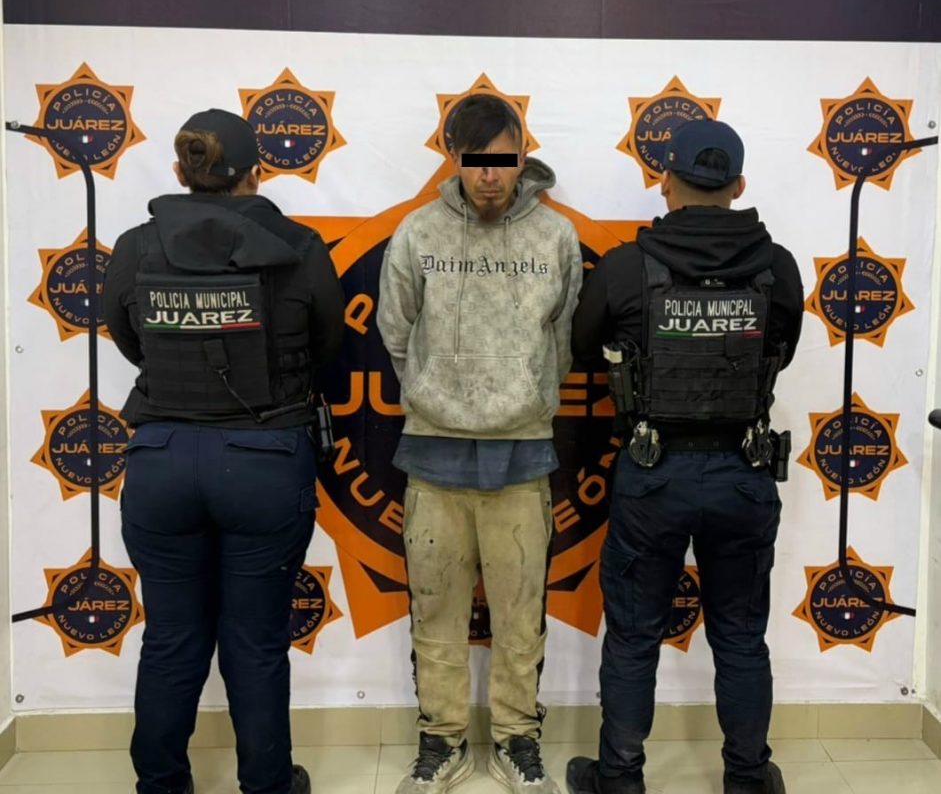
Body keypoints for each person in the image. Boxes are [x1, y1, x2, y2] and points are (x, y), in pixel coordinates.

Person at [103, 109, 345, 794]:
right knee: (256, 641)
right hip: (264, 460)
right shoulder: (299, 246)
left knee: (171, 638)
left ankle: (160, 785)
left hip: (162, 458)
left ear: (179, 172)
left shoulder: (135, 247)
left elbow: (127, 336)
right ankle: (268, 785)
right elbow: (326, 342)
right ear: (256, 174)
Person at [566, 119, 803, 794]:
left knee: (633, 635)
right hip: (743, 474)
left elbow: (583, 350)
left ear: (665, 180)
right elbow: (782, 352)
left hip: (653, 474)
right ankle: (747, 778)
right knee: (740, 635)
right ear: (738, 186)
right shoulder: (778, 268)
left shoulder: (625, 268)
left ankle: (620, 778)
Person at [377, 95, 583, 794]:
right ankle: (440, 741)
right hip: (432, 454)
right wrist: (431, 390)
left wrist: (527, 395)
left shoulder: (555, 236)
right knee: (434, 612)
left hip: (522, 454)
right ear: (453, 159)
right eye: (474, 161)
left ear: (522, 158)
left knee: (520, 615)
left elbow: (562, 339)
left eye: (502, 160)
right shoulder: (417, 232)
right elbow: (396, 331)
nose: (488, 175)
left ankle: (518, 740)